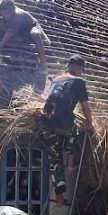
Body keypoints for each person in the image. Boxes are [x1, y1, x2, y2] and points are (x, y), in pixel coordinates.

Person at [42, 54, 94, 205]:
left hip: (46, 123)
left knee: (55, 160)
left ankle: (59, 196)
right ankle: (71, 162)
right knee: (76, 128)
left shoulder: (56, 79)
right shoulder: (78, 82)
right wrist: (90, 122)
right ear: (79, 68)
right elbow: (85, 106)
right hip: (63, 124)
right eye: (82, 69)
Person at [0, 0, 48, 70]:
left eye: (9, 13)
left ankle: (44, 65)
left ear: (13, 10)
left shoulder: (17, 16)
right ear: (0, 11)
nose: (7, 16)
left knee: (35, 34)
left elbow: (5, 40)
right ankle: (12, 34)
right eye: (4, 13)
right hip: (14, 28)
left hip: (29, 27)